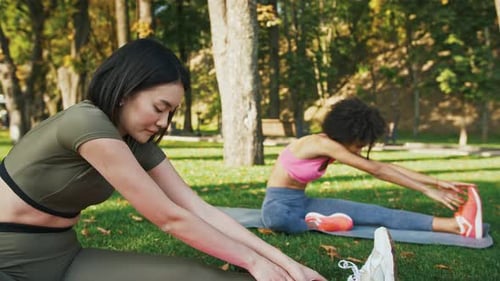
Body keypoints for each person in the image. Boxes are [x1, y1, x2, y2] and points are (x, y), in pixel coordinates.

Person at [0, 38, 328, 281]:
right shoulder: (85, 123)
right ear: (126, 91)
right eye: (160, 107)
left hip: (63, 256)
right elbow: (170, 217)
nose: (163, 123)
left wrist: (284, 263)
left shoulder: (132, 140)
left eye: (171, 112)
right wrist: (254, 261)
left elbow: (196, 208)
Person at [261, 97, 483, 240]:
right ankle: (315, 224)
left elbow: (382, 166)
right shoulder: (322, 144)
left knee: (378, 214)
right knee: (275, 218)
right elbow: (376, 171)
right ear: (346, 134)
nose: (358, 151)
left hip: (303, 202)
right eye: (358, 145)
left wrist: (433, 182)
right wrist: (426, 191)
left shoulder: (334, 145)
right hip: (278, 202)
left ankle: (457, 226)